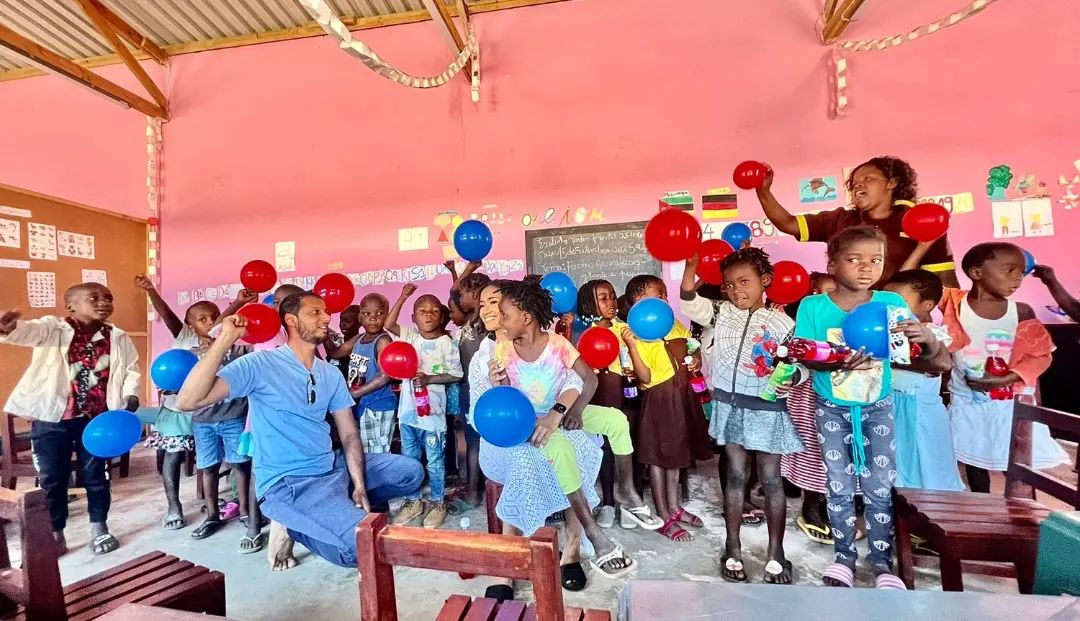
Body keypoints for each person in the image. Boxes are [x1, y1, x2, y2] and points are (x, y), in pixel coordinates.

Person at [175, 292, 424, 569]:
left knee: (410, 473)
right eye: (315, 313)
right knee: (362, 550)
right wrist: (225, 339)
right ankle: (294, 527)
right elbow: (188, 401)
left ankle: (331, 510)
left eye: (325, 311)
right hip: (289, 483)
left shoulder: (329, 373)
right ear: (291, 320)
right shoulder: (260, 365)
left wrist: (360, 485)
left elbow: (349, 434)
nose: (327, 318)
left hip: (332, 467)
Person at [794, 225, 937, 589]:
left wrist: (926, 338)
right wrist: (838, 362)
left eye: (875, 260)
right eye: (853, 259)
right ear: (832, 263)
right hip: (831, 408)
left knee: (879, 486)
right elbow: (807, 359)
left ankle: (882, 563)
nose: (865, 267)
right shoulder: (813, 307)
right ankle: (844, 557)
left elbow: (916, 354)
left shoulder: (889, 303)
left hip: (878, 407)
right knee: (838, 486)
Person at [473, 278, 636, 599]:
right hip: (512, 434)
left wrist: (558, 415)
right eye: (485, 304)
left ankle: (571, 551)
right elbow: (488, 412)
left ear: (522, 313)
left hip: (555, 421)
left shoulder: (555, 345)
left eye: (497, 303)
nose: (491, 310)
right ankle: (510, 561)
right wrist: (498, 384)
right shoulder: (489, 351)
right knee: (522, 461)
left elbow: (576, 382)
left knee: (574, 451)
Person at [681, 248, 806, 584]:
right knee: (735, 476)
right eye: (729, 285)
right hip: (730, 405)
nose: (736, 290)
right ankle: (732, 546)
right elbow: (689, 300)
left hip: (766, 408)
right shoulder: (721, 314)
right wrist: (691, 268)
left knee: (770, 480)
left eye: (744, 282)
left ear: (765, 282)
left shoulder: (783, 323)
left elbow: (800, 365)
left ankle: (776, 552)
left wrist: (794, 377)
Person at [0, 283, 140, 556]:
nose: (104, 302)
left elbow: (131, 370)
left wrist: (131, 396)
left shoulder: (119, 337)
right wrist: (9, 327)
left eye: (108, 298)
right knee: (53, 478)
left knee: (97, 475)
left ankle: (99, 527)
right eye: (94, 298)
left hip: (97, 420)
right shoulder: (54, 328)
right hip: (53, 418)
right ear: (71, 305)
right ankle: (55, 533)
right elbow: (29, 331)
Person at [136, 275, 265, 551]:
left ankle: (245, 511)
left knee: (241, 464)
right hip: (202, 419)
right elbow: (167, 315)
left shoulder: (234, 344)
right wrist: (151, 292)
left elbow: (226, 327)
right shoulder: (187, 342)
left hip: (232, 416)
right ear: (190, 324)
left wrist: (239, 304)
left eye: (213, 318)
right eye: (201, 319)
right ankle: (210, 515)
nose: (209, 323)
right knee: (207, 466)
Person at [941, 244, 1069, 493]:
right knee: (973, 459)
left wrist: (1007, 379)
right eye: (1009, 270)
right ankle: (983, 508)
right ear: (976, 273)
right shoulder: (954, 303)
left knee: (1015, 461)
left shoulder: (1021, 311)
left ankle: (1022, 510)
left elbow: (1039, 355)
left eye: (1021, 272)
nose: (1018, 278)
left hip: (1008, 402)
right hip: (967, 400)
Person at [756, 157, 959, 288]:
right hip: (850, 313)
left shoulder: (920, 222)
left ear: (892, 183)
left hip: (903, 319)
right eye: (853, 184)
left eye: (868, 179)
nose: (858, 185)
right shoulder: (840, 219)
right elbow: (787, 223)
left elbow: (947, 283)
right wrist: (763, 190)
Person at [622, 275, 713, 542]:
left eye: (664, 294)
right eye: (657, 294)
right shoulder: (637, 333)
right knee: (658, 460)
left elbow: (691, 345)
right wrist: (632, 347)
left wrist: (695, 358)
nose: (664, 299)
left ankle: (675, 507)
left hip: (682, 396)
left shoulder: (673, 324)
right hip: (659, 400)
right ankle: (662, 515)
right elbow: (645, 378)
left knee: (677, 455)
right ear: (639, 301)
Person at [385, 285, 464, 529]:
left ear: (441, 316)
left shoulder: (446, 344)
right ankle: (413, 501)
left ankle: (437, 502)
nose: (428, 315)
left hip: (433, 417)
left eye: (433, 311)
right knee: (410, 461)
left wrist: (430, 379)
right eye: (422, 311)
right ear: (413, 317)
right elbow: (389, 323)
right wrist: (403, 296)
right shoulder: (409, 338)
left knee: (435, 461)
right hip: (408, 415)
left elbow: (457, 374)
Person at [883, 270, 964, 491]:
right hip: (890, 410)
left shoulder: (929, 332)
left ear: (927, 305)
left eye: (897, 300)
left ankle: (933, 518)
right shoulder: (882, 333)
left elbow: (942, 364)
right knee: (896, 468)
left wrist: (888, 362)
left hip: (921, 413)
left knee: (929, 467)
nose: (888, 305)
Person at [451, 268, 492, 506]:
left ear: (476, 293)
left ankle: (477, 493)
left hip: (484, 388)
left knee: (480, 441)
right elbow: (453, 289)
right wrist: (466, 269)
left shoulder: (486, 324)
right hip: (468, 388)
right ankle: (474, 491)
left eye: (464, 293)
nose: (459, 298)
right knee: (473, 440)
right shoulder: (470, 320)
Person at [339, 294, 396, 454]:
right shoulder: (360, 338)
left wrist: (355, 393)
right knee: (366, 451)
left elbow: (385, 376)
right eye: (366, 314)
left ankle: (383, 480)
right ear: (360, 317)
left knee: (378, 453)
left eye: (379, 313)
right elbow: (336, 352)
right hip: (364, 404)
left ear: (387, 315)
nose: (373, 318)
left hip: (379, 405)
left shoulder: (383, 340)